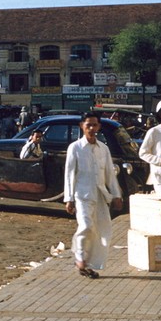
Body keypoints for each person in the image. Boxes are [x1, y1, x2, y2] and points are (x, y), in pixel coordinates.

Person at [64, 112, 123, 279]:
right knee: (86, 226)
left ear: (99, 127)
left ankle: (89, 263)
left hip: (100, 195)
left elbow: (110, 174)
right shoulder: (75, 148)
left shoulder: (103, 148)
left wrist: (116, 195)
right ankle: (80, 258)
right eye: (88, 125)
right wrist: (69, 199)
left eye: (94, 125)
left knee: (102, 231)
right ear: (82, 126)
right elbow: (70, 174)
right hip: (82, 195)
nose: (91, 128)